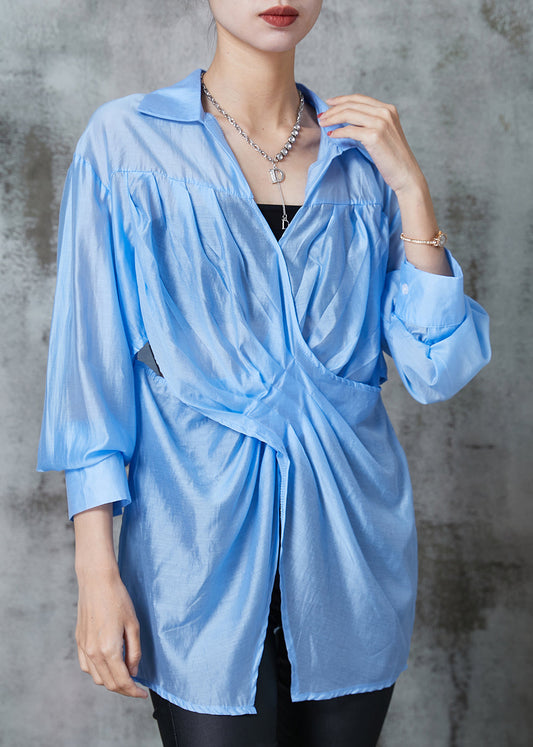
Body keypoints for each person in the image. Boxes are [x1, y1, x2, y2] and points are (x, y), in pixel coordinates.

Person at [36, 2, 491, 745]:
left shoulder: (363, 161)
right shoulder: (124, 143)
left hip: (352, 558)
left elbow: (433, 367)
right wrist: (96, 569)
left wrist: (411, 188)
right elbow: (90, 367)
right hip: (193, 555)